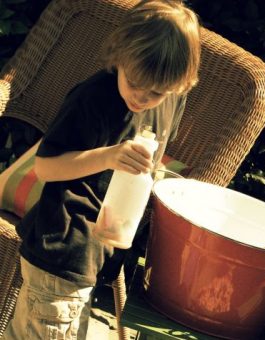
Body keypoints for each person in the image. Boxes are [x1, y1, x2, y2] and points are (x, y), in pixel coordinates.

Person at [3, 1, 201, 339]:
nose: (142, 97)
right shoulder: (93, 98)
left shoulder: (170, 98)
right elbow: (47, 167)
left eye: (156, 92)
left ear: (180, 84)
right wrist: (108, 157)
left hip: (99, 250)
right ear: (120, 56)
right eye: (134, 82)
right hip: (64, 246)